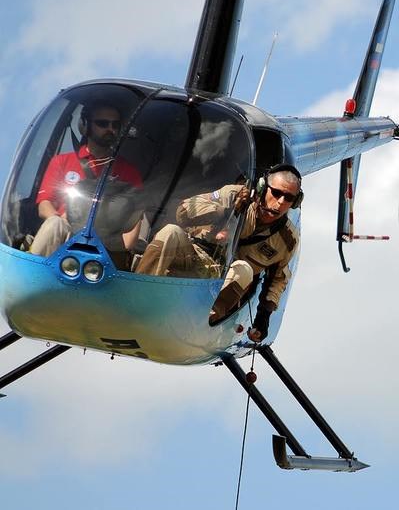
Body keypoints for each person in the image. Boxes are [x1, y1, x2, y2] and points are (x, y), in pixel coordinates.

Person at [135, 164, 302, 340]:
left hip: (222, 281)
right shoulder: (233, 194)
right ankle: (138, 300)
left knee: (244, 269)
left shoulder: (287, 239)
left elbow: (278, 279)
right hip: (196, 256)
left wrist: (264, 316)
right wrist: (226, 212)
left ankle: (199, 325)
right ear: (262, 187)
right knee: (171, 232)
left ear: (295, 202)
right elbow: (183, 211)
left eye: (289, 198)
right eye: (276, 193)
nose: (281, 202)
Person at [30, 100, 143, 257]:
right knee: (54, 224)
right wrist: (62, 222)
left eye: (115, 125)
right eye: (103, 123)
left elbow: (136, 214)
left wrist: (121, 246)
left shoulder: (129, 172)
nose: (110, 129)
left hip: (105, 245)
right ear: (84, 125)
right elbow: (44, 205)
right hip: (67, 236)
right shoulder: (62, 161)